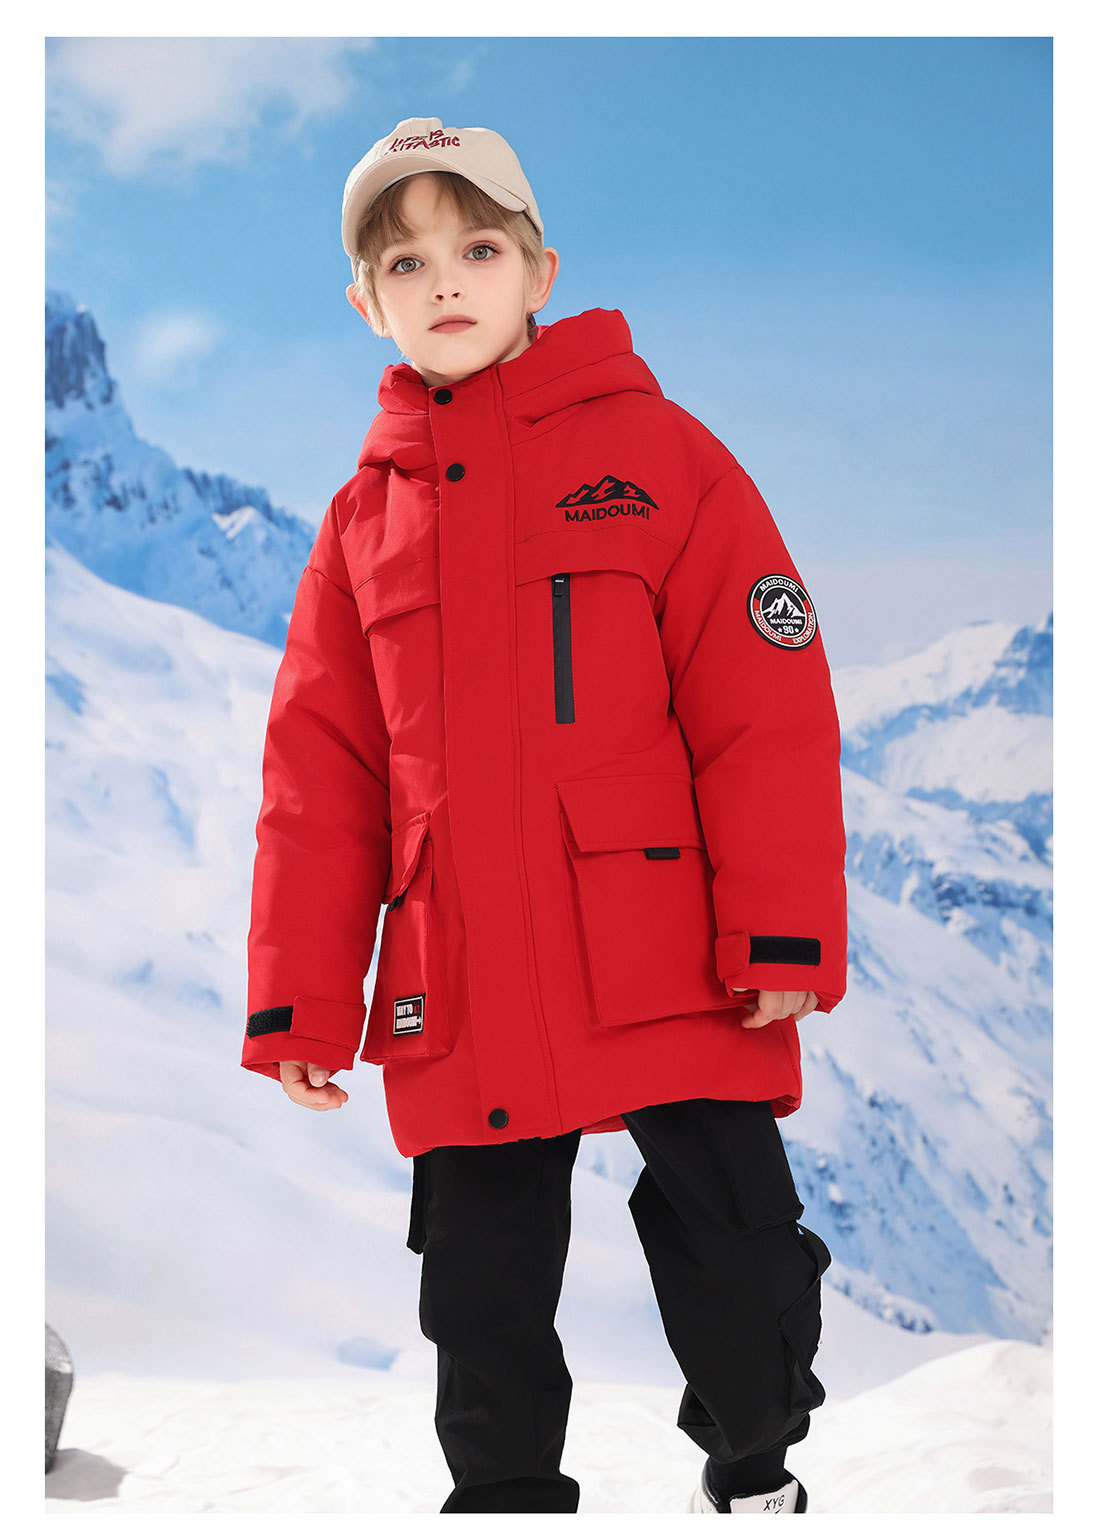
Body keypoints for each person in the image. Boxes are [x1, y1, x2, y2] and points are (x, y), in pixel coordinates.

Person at [240, 116, 847, 1515]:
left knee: (740, 1254)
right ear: (366, 302)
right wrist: (302, 1002)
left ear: (540, 272)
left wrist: (780, 929)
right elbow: (321, 776)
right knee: (480, 1293)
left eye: (477, 247)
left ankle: (755, 1470)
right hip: (462, 965)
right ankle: (505, 1504)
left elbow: (762, 705)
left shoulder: (664, 456)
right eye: (405, 262)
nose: (444, 280)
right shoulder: (361, 522)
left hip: (666, 949)